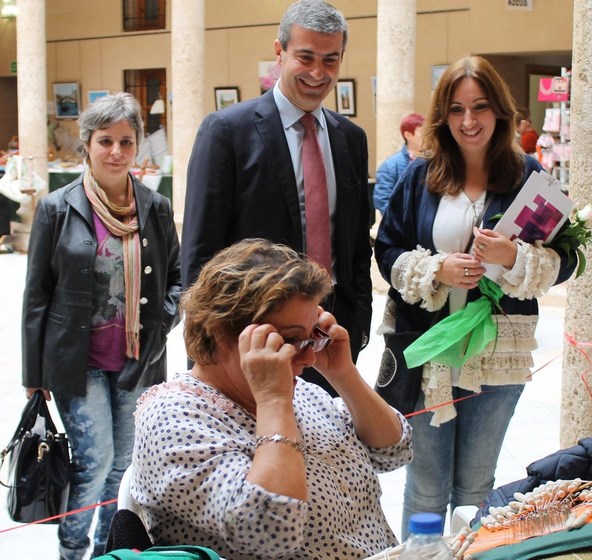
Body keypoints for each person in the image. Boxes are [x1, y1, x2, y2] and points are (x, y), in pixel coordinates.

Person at [373, 55, 576, 538]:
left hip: (497, 353)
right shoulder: (421, 176)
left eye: (480, 107)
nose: (469, 121)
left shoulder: (528, 175)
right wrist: (435, 268)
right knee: (424, 486)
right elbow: (387, 250)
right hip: (428, 348)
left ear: (499, 111)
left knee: (477, 486)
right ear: (443, 117)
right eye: (458, 109)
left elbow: (564, 260)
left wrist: (512, 258)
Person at [131, 238, 412, 560]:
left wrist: (343, 374)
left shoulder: (297, 389)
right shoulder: (172, 418)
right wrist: (273, 402)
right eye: (289, 339)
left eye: (312, 337)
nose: (307, 360)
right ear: (222, 333)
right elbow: (269, 531)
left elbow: (393, 451)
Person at [181, 0, 372, 397]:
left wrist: (358, 322)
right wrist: (209, 349)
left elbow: (354, 243)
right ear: (279, 51)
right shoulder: (227, 132)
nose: (318, 73)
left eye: (330, 60)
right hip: (249, 339)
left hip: (328, 337)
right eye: (305, 57)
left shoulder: (351, 139)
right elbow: (201, 249)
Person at [22, 92, 181, 560]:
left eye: (126, 142)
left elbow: (176, 279)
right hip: (76, 362)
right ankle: (71, 551)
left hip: (138, 359)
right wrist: (34, 375)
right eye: (105, 140)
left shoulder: (156, 206)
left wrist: (161, 324)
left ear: (137, 148)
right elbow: (37, 295)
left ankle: (106, 553)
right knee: (94, 464)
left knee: (124, 468)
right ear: (87, 145)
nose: (116, 151)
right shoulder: (57, 208)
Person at [373, 112, 424, 215]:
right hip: (403, 227)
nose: (428, 136)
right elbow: (383, 200)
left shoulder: (434, 161)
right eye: (423, 132)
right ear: (408, 135)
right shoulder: (390, 166)